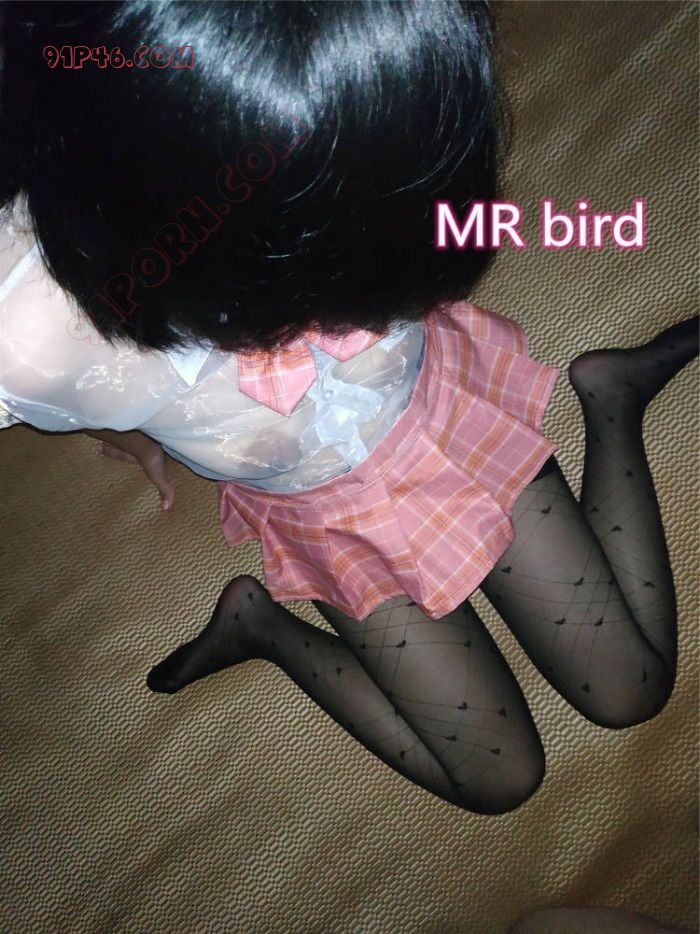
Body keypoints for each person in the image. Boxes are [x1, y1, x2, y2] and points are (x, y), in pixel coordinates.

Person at [0, 1, 697, 815]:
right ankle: (263, 628)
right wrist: (110, 418)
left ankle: (612, 399)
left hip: (437, 413)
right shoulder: (25, 331)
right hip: (322, 513)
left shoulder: (351, 89)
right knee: (500, 779)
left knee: (630, 690)